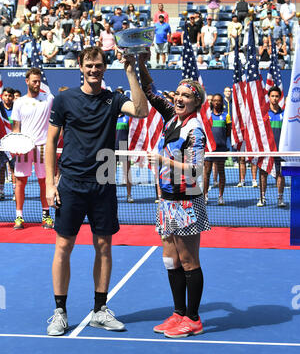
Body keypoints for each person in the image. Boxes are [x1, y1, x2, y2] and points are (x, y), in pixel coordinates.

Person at [45, 46, 148, 336]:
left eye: (99, 65)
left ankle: (100, 310)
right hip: (71, 185)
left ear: (104, 68)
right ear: (80, 66)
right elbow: (50, 142)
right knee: (63, 247)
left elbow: (141, 110)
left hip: (104, 182)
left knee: (103, 246)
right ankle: (60, 312)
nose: (94, 70)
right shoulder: (64, 99)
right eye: (89, 65)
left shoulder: (113, 99)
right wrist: (51, 184)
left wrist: (130, 71)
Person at [138, 52, 210, 338]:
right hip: (167, 200)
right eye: (177, 94)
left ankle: (193, 318)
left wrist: (166, 161)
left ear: (196, 103)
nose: (179, 99)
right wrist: (141, 63)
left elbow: (196, 171)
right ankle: (178, 313)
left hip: (187, 200)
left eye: (186, 96)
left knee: (189, 260)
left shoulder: (196, 130)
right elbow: (151, 92)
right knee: (170, 259)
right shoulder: (172, 118)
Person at [10, 68, 54, 230]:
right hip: (24, 147)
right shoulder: (19, 102)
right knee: (20, 181)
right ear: (27, 81)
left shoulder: (49, 99)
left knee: (44, 181)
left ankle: (46, 216)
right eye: (34, 81)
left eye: (39, 81)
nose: (37, 84)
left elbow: (56, 120)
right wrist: (16, 145)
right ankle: (19, 217)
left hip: (43, 147)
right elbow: (16, 128)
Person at [257, 86, 286, 208]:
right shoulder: (264, 114)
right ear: (269, 97)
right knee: (263, 173)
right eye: (272, 96)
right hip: (266, 149)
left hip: (280, 150)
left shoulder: (284, 114)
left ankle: (280, 198)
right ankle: (262, 197)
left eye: (276, 96)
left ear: (280, 98)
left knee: (280, 174)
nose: (274, 98)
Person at [204, 93, 231, 205]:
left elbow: (228, 132)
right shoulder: (208, 116)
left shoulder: (226, 116)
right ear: (212, 102)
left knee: (221, 172)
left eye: (219, 100)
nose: (216, 102)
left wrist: (222, 141)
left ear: (221, 102)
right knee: (207, 172)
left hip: (221, 148)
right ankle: (205, 195)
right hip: (209, 148)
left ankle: (220, 196)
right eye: (214, 100)